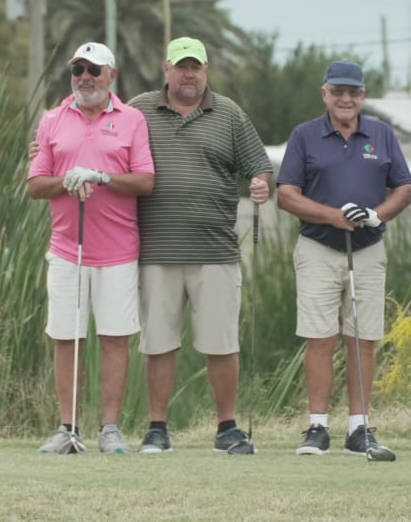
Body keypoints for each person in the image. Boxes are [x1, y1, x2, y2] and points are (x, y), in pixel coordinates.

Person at [127, 36, 272, 454]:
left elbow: (259, 166)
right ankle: (157, 428)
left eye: (196, 67)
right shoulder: (138, 110)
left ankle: (227, 427)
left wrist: (261, 183)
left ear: (206, 70)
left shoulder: (229, 114)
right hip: (156, 249)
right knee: (159, 343)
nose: (188, 74)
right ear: (166, 69)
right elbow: (104, 142)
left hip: (215, 250)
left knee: (221, 343)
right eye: (181, 66)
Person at [276, 60, 411, 457]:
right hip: (318, 247)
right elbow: (286, 194)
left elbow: (404, 188)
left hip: (368, 248)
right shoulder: (305, 135)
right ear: (325, 93)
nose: (345, 99)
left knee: (362, 338)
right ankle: (318, 427)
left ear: (363, 95)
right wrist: (332, 216)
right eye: (337, 91)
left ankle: (359, 429)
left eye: (353, 92)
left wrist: (376, 215)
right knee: (320, 337)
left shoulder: (382, 135)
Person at [27, 42, 155, 454]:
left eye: (93, 70)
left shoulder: (132, 120)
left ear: (111, 75)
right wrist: (65, 181)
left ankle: (110, 429)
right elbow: (35, 185)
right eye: (78, 69)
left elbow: (145, 180)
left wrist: (101, 176)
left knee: (114, 338)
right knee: (68, 338)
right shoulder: (52, 120)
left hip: (118, 250)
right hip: (67, 249)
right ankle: (68, 428)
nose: (85, 77)